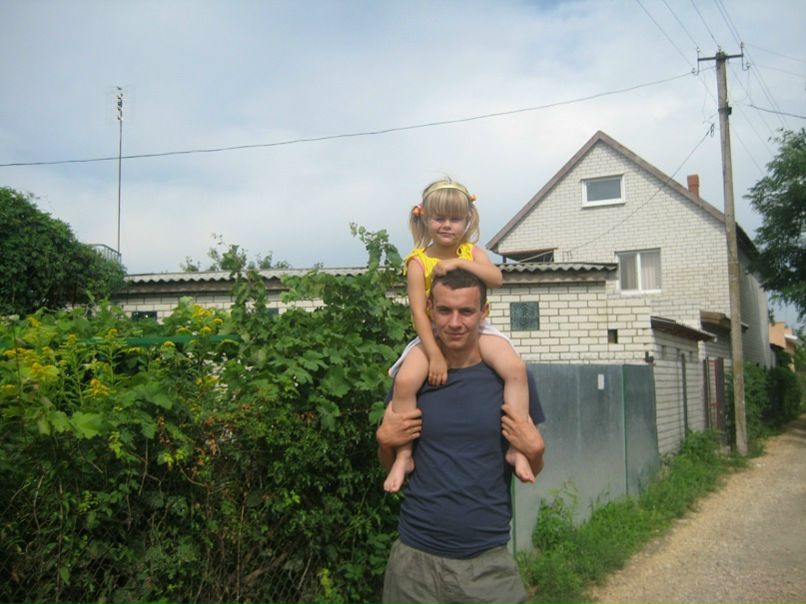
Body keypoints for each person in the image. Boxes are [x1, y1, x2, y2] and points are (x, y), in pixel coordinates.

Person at [377, 269, 546, 604]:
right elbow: (389, 464)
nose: (455, 323)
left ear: (483, 312)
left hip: (487, 564)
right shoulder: (414, 376)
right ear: (430, 310)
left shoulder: (508, 378)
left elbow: (531, 468)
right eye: (444, 310)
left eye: (466, 311)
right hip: (414, 564)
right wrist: (385, 442)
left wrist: (536, 451)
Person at [383, 177, 533, 493]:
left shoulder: (471, 252)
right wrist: (434, 354)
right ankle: (404, 455)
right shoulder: (417, 262)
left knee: (516, 369)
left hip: (476, 331)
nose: (447, 225)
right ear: (425, 218)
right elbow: (418, 313)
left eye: (455, 219)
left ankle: (517, 447)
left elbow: (496, 278)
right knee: (405, 381)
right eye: (439, 218)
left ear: (468, 221)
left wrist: (455, 264)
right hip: (431, 334)